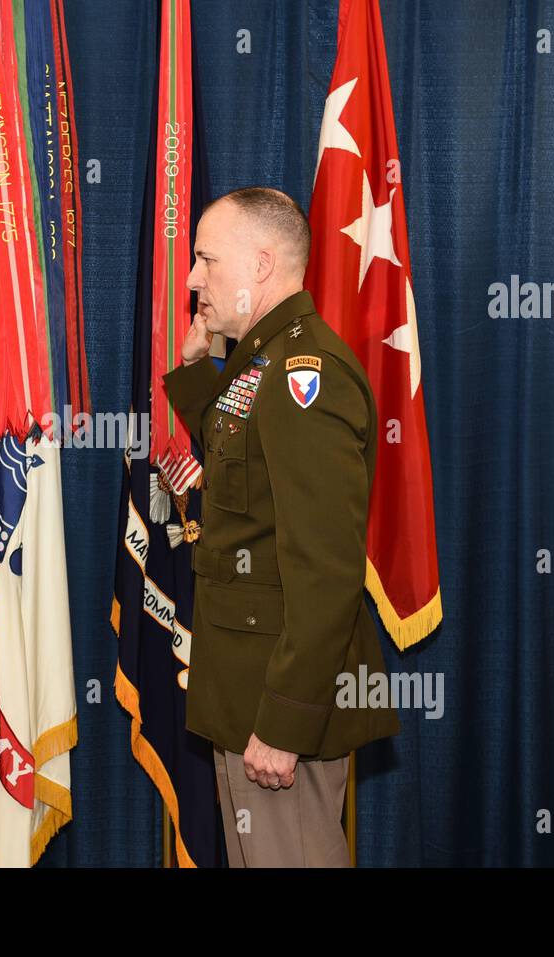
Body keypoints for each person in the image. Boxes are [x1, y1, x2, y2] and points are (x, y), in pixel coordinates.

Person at [162, 188, 400, 867]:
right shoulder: (261, 360)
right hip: (248, 695)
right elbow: (245, 479)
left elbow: (325, 573)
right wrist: (192, 370)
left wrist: (284, 720)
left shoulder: (306, 374)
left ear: (262, 264)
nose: (192, 278)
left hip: (276, 707)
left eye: (206, 259)